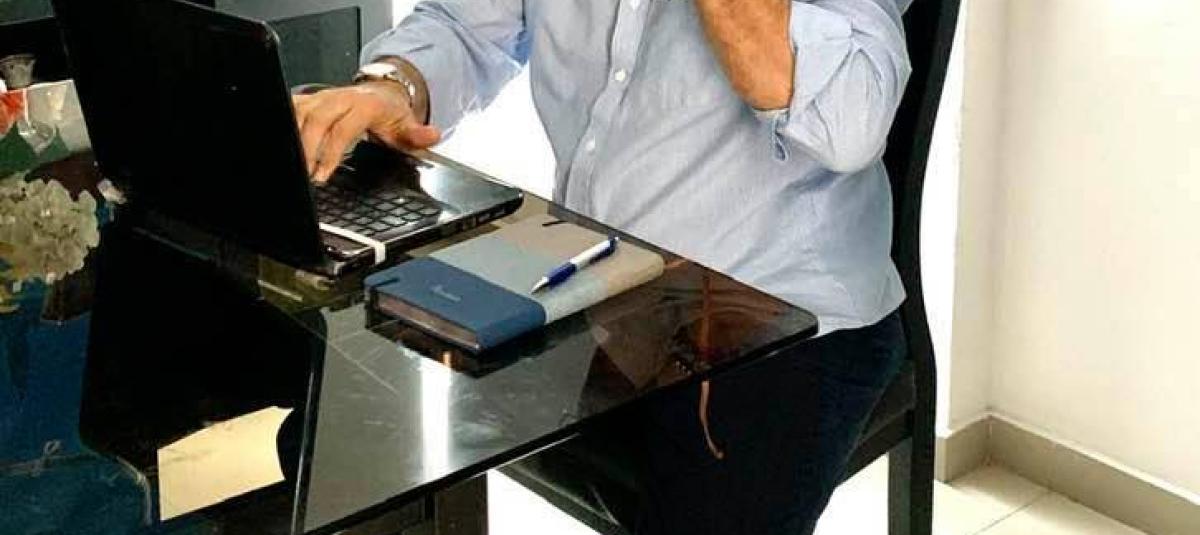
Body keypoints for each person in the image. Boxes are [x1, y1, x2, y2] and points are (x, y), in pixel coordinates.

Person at [295, 1, 913, 533]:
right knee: (341, 449)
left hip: (783, 312)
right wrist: (392, 87)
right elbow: (463, 23)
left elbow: (848, 125)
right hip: (600, 280)